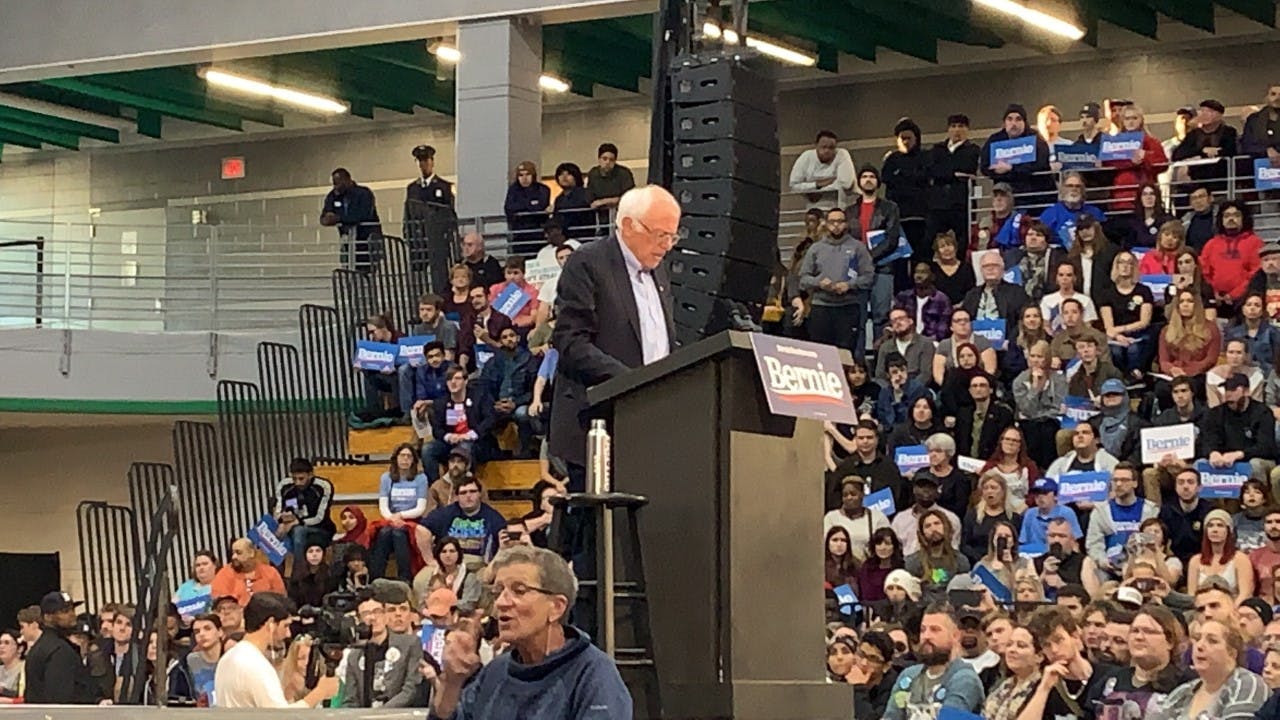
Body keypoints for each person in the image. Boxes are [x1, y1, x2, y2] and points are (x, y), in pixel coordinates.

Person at [550, 185, 677, 481]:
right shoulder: (588, 262)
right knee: (597, 525)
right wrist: (632, 382)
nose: (668, 245)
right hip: (597, 423)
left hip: (650, 421)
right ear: (629, 226)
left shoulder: (658, 271)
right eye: (661, 235)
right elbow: (569, 341)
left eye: (673, 236)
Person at [430, 546, 631, 718]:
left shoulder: (593, 675)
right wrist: (452, 684)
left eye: (519, 591)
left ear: (557, 607)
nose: (501, 602)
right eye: (498, 592)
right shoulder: (495, 672)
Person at [213, 593, 337, 707]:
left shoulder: (227, 658)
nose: (288, 634)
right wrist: (319, 693)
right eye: (285, 625)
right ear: (270, 623)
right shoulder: (256, 665)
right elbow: (279, 717)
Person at [1085, 605, 1191, 718]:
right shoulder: (1111, 679)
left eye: (1149, 631)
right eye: (1135, 631)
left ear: (1170, 641)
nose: (1139, 637)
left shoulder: (1186, 684)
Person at [883, 603, 985, 720]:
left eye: (935, 630)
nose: (926, 636)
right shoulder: (909, 675)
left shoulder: (964, 679)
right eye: (923, 630)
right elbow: (890, 717)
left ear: (956, 636)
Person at [1152, 618, 1267, 720]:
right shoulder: (1182, 692)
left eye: (1212, 641)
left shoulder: (1248, 684)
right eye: (1197, 639)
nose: (1200, 646)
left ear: (1232, 653)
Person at [798, 206, 875, 355]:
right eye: (832, 221)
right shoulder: (816, 248)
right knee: (820, 353)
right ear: (826, 224)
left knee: (845, 353)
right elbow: (803, 279)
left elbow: (869, 277)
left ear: (846, 224)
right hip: (821, 307)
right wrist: (819, 283)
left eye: (840, 221)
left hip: (848, 308)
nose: (836, 225)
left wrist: (849, 285)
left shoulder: (858, 248)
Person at [1015, 606, 1104, 720]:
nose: (1054, 649)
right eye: (1046, 645)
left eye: (1058, 640)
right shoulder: (1047, 685)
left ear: (1075, 635)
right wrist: (1044, 688)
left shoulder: (1108, 677)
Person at [341, 591, 422, 708]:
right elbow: (350, 699)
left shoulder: (410, 644)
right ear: (358, 620)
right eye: (366, 614)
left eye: (377, 612)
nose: (372, 618)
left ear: (385, 615)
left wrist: (381, 713)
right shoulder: (354, 655)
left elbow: (411, 688)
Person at [1200, 372, 1278, 486]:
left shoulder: (1262, 412)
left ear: (1246, 391)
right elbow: (1207, 439)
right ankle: (1208, 503)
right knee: (1201, 463)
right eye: (1226, 389)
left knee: (1255, 464)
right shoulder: (1215, 413)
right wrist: (1213, 453)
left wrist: (1239, 454)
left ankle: (1258, 499)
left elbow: (1266, 447)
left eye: (1233, 389)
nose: (1228, 394)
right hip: (1224, 460)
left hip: (1254, 458)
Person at [23, 592, 98, 704]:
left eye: (73, 609)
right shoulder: (59, 650)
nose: (72, 614)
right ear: (47, 617)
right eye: (65, 611)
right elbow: (60, 699)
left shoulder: (42, 645)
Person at [1086, 463, 1159, 578]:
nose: (1119, 484)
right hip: (1109, 567)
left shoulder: (1151, 510)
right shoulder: (1100, 512)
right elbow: (1094, 544)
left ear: (1135, 483)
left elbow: (1156, 540)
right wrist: (1103, 561)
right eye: (1115, 480)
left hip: (1142, 565)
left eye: (1124, 480)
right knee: (1088, 563)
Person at [925, 114, 981, 259]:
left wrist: (943, 172)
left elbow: (968, 166)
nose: (957, 130)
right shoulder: (937, 149)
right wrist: (953, 174)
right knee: (929, 241)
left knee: (963, 241)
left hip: (961, 203)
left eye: (961, 126)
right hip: (938, 204)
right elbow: (930, 170)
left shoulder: (973, 149)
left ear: (967, 130)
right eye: (953, 126)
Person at [421, 477, 508, 565]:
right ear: (456, 496)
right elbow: (421, 530)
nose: (468, 495)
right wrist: (430, 560)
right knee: (421, 579)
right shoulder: (445, 513)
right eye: (463, 493)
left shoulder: (493, 516)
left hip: (480, 564)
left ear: (480, 494)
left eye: (472, 491)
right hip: (447, 562)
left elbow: (505, 536)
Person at [1102, 105, 1170, 214]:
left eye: (1134, 118)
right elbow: (1107, 162)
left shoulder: (1152, 141)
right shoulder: (1113, 142)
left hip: (1147, 195)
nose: (1131, 122)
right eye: (1127, 119)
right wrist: (1130, 161)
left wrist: (1146, 156)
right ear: (1122, 121)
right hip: (1122, 197)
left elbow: (1163, 163)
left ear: (1141, 120)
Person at [1099, 251, 1156, 378]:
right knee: (1116, 351)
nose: (1125, 266)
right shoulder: (1107, 293)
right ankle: (1119, 379)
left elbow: (1144, 321)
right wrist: (1118, 336)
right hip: (1115, 337)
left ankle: (1136, 379)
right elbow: (1108, 326)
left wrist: (1121, 330)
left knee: (1134, 349)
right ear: (1116, 266)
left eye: (1129, 263)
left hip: (1139, 334)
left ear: (1134, 267)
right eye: (1121, 262)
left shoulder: (1144, 291)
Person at [980, 103, 1053, 200]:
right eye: (1009, 119)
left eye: (1018, 119)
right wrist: (995, 170)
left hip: (1035, 196)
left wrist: (1011, 168)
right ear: (1004, 122)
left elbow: (1041, 165)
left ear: (1024, 122)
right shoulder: (995, 140)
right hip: (1005, 196)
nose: (1013, 123)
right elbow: (984, 166)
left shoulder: (1036, 139)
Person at [1013, 340, 1067, 470]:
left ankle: (1049, 471)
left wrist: (1041, 415)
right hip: (1028, 422)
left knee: (1047, 430)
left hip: (1051, 421)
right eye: (1032, 356)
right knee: (1032, 431)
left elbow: (1058, 407)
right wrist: (1035, 388)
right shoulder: (1020, 380)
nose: (1035, 360)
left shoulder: (1058, 379)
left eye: (1040, 356)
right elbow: (1027, 410)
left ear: (1047, 358)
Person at [272, 457, 336, 564]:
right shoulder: (284, 486)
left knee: (299, 531)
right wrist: (281, 521)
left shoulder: (323, 487)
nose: (297, 483)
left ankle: (300, 572)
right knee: (271, 534)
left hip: (319, 528)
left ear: (311, 475)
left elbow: (320, 517)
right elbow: (278, 510)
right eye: (294, 479)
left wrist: (296, 522)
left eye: (301, 479)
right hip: (290, 526)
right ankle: (275, 574)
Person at [1201, 200, 1263, 309]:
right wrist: (1213, 293)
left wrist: (1234, 295)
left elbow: (1255, 274)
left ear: (1244, 218)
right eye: (1226, 216)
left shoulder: (1255, 243)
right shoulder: (1211, 244)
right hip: (1215, 302)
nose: (1231, 219)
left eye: (1236, 215)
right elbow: (1204, 273)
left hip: (1245, 302)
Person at [320, 167, 381, 272]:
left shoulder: (363, 193)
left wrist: (339, 218)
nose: (336, 187)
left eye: (338, 183)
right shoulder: (333, 196)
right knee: (348, 270)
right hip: (348, 242)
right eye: (334, 184)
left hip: (367, 240)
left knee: (367, 272)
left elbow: (363, 215)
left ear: (347, 180)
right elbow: (324, 217)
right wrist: (328, 218)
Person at [962, 250, 1029, 344]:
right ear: (981, 270)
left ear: (1003, 269)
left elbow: (1022, 321)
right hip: (975, 346)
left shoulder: (1017, 292)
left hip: (1007, 344)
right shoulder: (971, 295)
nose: (990, 269)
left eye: (995, 265)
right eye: (986, 266)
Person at [1186, 509, 1255, 600]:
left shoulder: (1240, 559)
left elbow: (1245, 594)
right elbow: (1191, 596)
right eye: (1210, 526)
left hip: (1233, 609)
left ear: (1229, 531)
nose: (1215, 530)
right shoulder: (1195, 561)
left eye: (1220, 525)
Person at [905, 510, 971, 602]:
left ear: (946, 527)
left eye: (937, 523)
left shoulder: (961, 561)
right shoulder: (912, 562)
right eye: (928, 526)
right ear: (922, 533)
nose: (933, 528)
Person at [824, 473, 893, 561]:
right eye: (845, 495)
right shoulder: (831, 518)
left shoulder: (878, 517)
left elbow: (887, 544)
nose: (849, 498)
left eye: (853, 494)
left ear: (862, 494)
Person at [1172, 99, 1240, 186]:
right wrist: (1202, 151)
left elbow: (1232, 152)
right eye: (1202, 111)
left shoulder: (1229, 132)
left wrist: (1218, 152)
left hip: (1221, 180)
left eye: (1210, 112)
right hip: (1196, 181)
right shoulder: (1193, 134)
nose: (1205, 114)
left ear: (1219, 115)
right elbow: (1177, 154)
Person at [1158, 289, 1222, 381]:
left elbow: (1211, 359)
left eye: (1190, 301)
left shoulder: (1210, 329)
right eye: (1181, 301)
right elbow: (1164, 361)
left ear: (1197, 305)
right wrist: (1172, 369)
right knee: (1161, 388)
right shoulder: (1166, 330)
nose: (1185, 305)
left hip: (1198, 374)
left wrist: (1188, 372)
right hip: (1174, 375)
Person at [891, 475, 963, 556]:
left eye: (930, 487)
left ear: (937, 491)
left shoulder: (951, 518)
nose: (926, 490)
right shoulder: (900, 519)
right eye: (921, 486)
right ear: (914, 489)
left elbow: (954, 550)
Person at [983, 625, 1042, 720]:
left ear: (1039, 656)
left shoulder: (1043, 688)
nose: (1012, 650)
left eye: (1021, 645)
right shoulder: (1003, 686)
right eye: (1009, 644)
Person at [789, 129, 855, 210]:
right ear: (816, 145)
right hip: (813, 209)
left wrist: (816, 191)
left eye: (831, 148)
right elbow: (794, 185)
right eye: (823, 147)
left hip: (839, 207)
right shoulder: (806, 157)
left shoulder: (842, 154)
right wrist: (817, 184)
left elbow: (846, 183)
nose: (827, 151)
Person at [413, 538, 482, 615]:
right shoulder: (431, 575)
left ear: (458, 553)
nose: (448, 555)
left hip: (460, 616)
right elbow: (422, 602)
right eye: (444, 551)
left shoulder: (469, 577)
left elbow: (469, 604)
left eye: (452, 551)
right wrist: (427, 612)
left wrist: (444, 605)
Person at [1003, 220, 1067, 304]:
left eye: (1038, 235)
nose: (1033, 238)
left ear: (1046, 240)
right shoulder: (1012, 257)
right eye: (1029, 235)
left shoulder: (1057, 257)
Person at [210, 538, 286, 606]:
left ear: (251, 553)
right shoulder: (224, 574)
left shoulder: (270, 572)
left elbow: (281, 600)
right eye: (233, 553)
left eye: (238, 553)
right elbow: (220, 603)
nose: (234, 557)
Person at [1040, 173, 1107, 249]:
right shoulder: (1049, 214)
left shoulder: (1095, 212)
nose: (1074, 189)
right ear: (1062, 189)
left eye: (1078, 186)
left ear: (1083, 190)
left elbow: (1103, 239)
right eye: (1070, 186)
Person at [895, 262, 953, 342]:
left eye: (923, 272)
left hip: (933, 342)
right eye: (916, 272)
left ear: (932, 277)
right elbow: (895, 320)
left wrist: (925, 344)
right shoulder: (903, 297)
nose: (918, 276)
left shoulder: (942, 299)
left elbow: (943, 330)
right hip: (906, 340)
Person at [874, 306, 936, 381]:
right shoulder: (885, 347)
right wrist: (891, 390)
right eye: (894, 321)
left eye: (901, 318)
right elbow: (880, 376)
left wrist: (908, 390)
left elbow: (926, 374)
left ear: (910, 321)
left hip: (918, 390)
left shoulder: (925, 344)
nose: (897, 322)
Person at [585, 143, 636, 233]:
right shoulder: (593, 174)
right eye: (604, 159)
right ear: (599, 159)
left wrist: (604, 202)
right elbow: (590, 199)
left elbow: (629, 198)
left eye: (611, 160)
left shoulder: (624, 173)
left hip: (622, 218)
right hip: (601, 220)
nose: (607, 162)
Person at [1226, 292, 1280, 374]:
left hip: (1267, 377)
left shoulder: (1272, 332)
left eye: (1257, 305)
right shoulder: (1233, 333)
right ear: (1243, 309)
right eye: (1249, 305)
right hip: (1241, 377)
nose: (1252, 308)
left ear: (1262, 311)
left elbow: (1277, 360)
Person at [1019, 479, 1084, 547]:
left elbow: (1075, 541)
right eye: (1036, 493)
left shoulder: (1067, 512)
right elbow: (1023, 541)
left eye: (1045, 493)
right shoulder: (1030, 513)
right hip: (1033, 553)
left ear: (1056, 496)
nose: (1040, 497)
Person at [850, 630, 900, 719]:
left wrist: (858, 688)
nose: (864, 662)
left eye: (872, 658)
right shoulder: (847, 676)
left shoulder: (893, 690)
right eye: (861, 654)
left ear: (886, 666)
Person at [1041, 264, 1099, 334]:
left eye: (1069, 275)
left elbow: (1088, 325)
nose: (1064, 278)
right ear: (1056, 278)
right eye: (1061, 275)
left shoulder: (1085, 300)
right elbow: (1046, 325)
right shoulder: (1047, 300)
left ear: (1074, 278)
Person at [1207, 338, 1266, 407]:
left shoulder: (1256, 376)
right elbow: (1213, 406)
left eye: (1239, 353)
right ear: (1225, 354)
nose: (1235, 357)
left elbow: (1257, 406)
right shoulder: (1213, 375)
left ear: (1246, 355)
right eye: (1231, 352)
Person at [972, 182, 1029, 252]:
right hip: (987, 260)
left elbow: (1028, 247)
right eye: (995, 196)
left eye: (1003, 195)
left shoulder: (1021, 220)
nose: (998, 199)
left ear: (1010, 199)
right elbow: (972, 249)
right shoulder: (982, 224)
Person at [503, 161, 550, 241]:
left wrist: (521, 207)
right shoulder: (513, 190)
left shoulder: (543, 189)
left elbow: (541, 207)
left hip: (539, 233)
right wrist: (531, 205)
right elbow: (509, 208)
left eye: (528, 174)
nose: (524, 178)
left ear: (533, 175)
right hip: (519, 234)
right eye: (521, 175)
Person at [1122, 183, 1178, 249]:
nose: (1148, 197)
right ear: (1140, 198)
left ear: (1157, 197)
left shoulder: (1167, 220)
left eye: (1152, 194)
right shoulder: (1133, 221)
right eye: (1144, 194)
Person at [858, 529, 905, 605]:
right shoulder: (866, 567)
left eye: (887, 543)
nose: (883, 547)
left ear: (894, 546)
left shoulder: (902, 568)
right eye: (879, 543)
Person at [930, 230, 976, 306]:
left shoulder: (967, 268)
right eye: (942, 246)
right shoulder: (932, 269)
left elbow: (971, 292)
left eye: (949, 245)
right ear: (937, 252)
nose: (946, 249)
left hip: (962, 309)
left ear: (955, 248)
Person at [550, 162, 593, 239]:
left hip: (582, 235)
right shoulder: (559, 199)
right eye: (561, 174)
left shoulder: (585, 193)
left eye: (569, 174)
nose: (564, 177)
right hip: (565, 237)